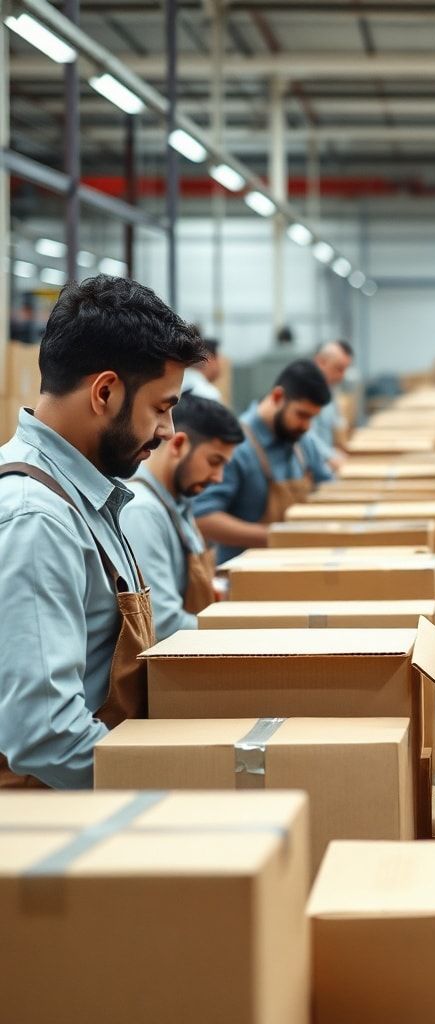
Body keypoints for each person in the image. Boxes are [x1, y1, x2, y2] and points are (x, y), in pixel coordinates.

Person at [0, 275, 207, 788]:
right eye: (161, 407)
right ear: (106, 391)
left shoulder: (88, 497)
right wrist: (183, 792)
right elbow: (46, 735)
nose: (168, 431)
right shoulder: (37, 518)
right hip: (51, 824)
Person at [121, 393, 244, 639]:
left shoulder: (179, 502)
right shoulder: (143, 512)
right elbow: (164, 624)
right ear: (178, 445)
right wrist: (241, 633)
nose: (218, 478)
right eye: (214, 461)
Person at [193, 358, 333, 564]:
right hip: (247, 578)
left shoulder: (302, 440)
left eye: (312, 417)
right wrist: (275, 537)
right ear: (278, 397)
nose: (306, 425)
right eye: (302, 415)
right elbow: (203, 517)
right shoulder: (237, 446)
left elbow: (325, 488)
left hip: (299, 567)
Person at [309, 339, 354, 471]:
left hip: (325, 464)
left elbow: (337, 423)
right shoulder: (306, 391)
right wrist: (330, 456)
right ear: (320, 362)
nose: (342, 376)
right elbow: (306, 436)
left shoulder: (330, 390)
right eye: (339, 369)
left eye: (345, 369)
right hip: (312, 466)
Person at [181, 337, 224, 403]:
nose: (220, 364)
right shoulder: (209, 394)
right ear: (207, 359)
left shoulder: (174, 386)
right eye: (218, 358)